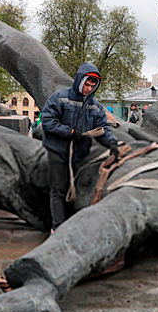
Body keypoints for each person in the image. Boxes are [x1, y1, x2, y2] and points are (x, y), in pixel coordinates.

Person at [42, 62, 119, 232]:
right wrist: (70, 132)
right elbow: (48, 122)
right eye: (87, 84)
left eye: (93, 85)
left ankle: (72, 226)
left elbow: (103, 129)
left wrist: (112, 142)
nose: (89, 88)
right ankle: (57, 229)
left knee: (77, 190)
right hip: (58, 152)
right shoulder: (59, 98)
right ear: (80, 81)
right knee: (59, 190)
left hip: (80, 154)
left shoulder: (96, 106)